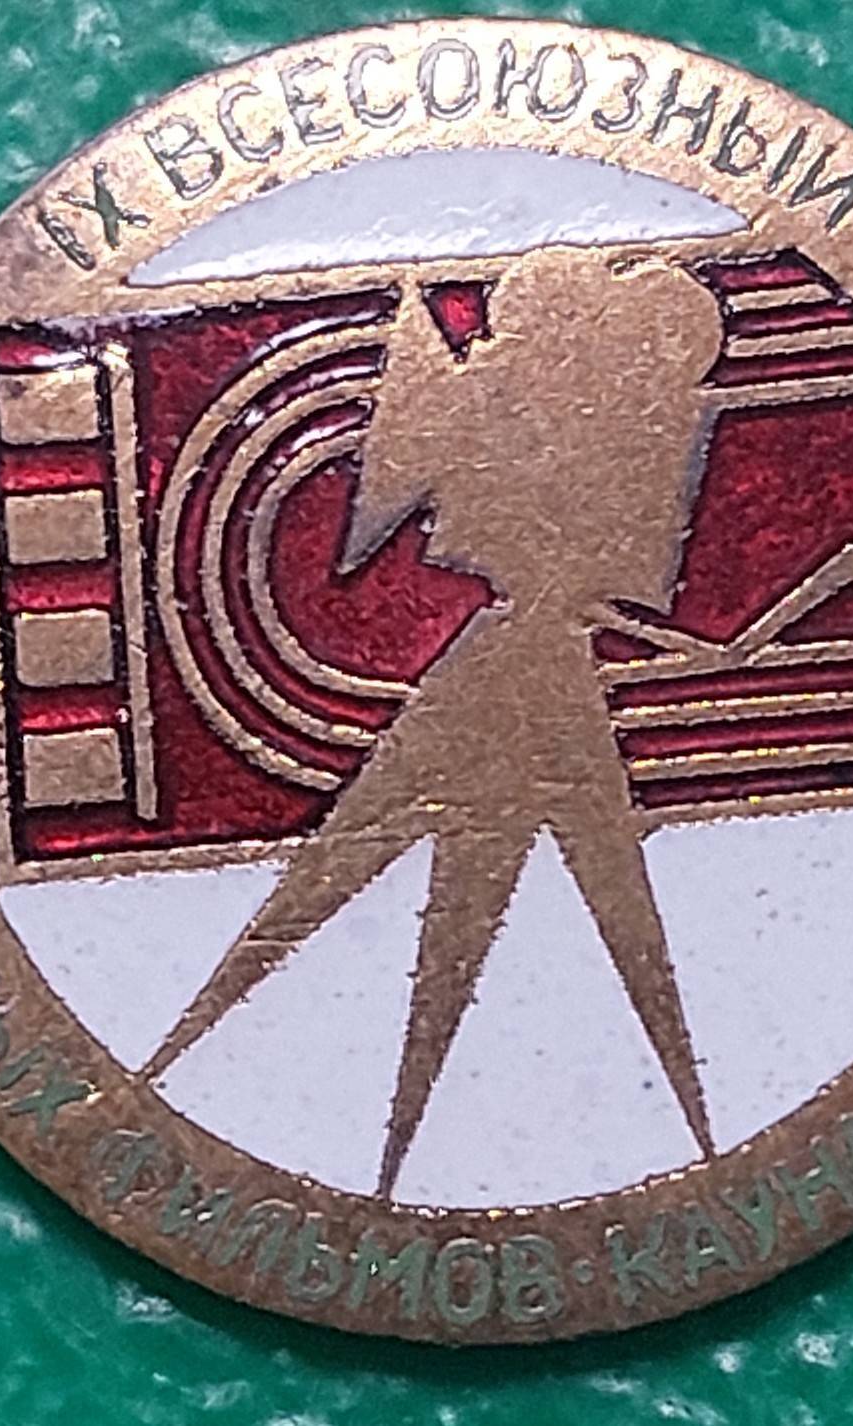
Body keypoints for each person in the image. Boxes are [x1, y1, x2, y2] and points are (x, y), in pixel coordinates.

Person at [142, 245, 726, 1193]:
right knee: (500, 889)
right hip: (526, 656)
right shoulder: (567, 525)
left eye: (499, 359)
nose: (471, 370)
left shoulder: (571, 508)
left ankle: (199, 1059)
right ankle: (212, 1063)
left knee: (463, 887)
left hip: (525, 660)